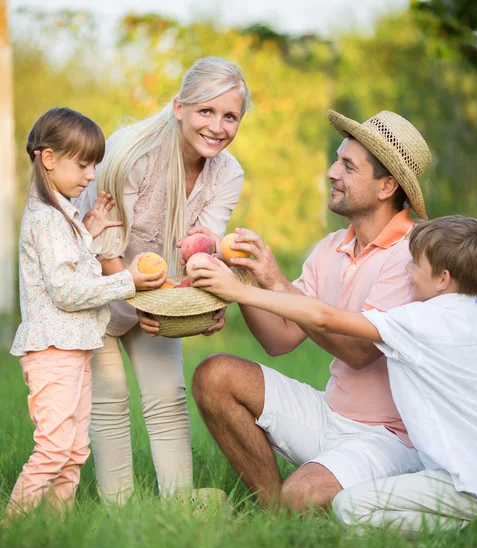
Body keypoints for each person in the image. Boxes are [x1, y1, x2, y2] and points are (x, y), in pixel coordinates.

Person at [190, 215, 477, 534]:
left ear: (443, 279)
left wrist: (240, 292)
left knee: (352, 508)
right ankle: (474, 530)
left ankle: (471, 532)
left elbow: (324, 318)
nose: (407, 270)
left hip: (471, 480)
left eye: (415, 264)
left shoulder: (420, 321)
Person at [191, 109, 432, 511]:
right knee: (214, 374)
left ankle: (295, 503)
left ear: (387, 185)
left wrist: (254, 291)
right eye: (337, 159)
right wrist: (249, 277)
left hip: (390, 438)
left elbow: (357, 351)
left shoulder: (414, 254)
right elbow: (280, 339)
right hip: (329, 413)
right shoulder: (332, 246)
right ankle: (272, 512)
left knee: (302, 497)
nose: (331, 172)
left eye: (348, 166)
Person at [76, 56, 251, 504]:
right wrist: (143, 305)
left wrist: (210, 302)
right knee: (110, 399)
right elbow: (108, 250)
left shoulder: (228, 173)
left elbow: (203, 249)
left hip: (156, 295)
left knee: (167, 398)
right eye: (205, 111)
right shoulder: (132, 154)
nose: (217, 126)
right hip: (97, 287)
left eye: (230, 115)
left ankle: (178, 503)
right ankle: (120, 508)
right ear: (179, 107)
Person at [7, 107, 166, 519]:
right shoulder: (46, 219)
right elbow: (66, 291)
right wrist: (128, 281)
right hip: (53, 351)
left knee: (75, 450)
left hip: (73, 350)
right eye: (83, 164)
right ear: (48, 159)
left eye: (94, 165)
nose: (91, 175)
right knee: (54, 449)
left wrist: (87, 233)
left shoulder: (63, 216)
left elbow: (70, 267)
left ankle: (55, 532)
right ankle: (12, 532)